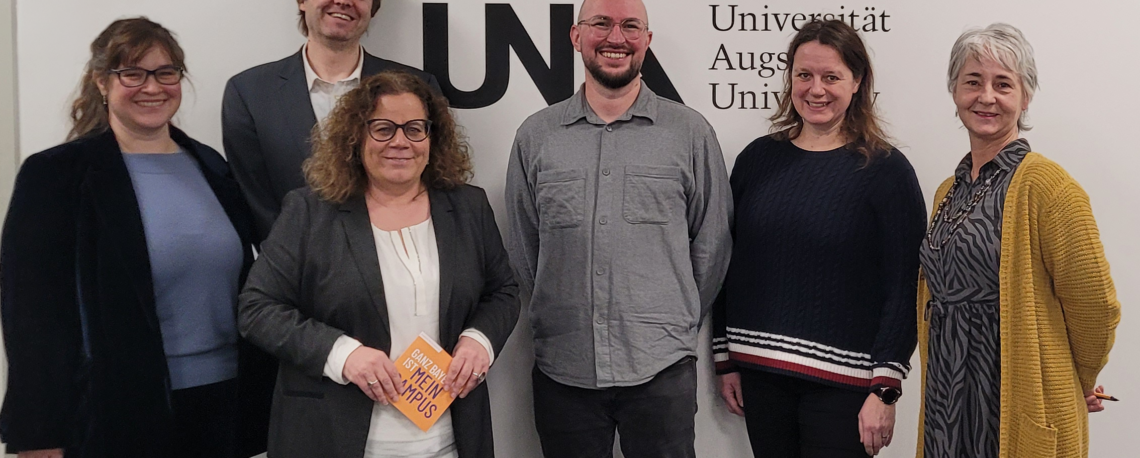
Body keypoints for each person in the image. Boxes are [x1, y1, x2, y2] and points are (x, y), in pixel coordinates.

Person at [0, 17, 273, 458]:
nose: (153, 87)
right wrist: (39, 435)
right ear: (102, 82)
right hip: (116, 413)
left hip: (226, 404)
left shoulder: (212, 166)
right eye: (132, 73)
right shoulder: (56, 175)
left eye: (166, 73)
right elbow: (31, 316)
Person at [238, 70, 518, 458]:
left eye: (415, 129)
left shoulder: (468, 207)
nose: (400, 142)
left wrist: (479, 341)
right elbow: (257, 309)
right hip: (338, 440)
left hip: (450, 441)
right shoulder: (309, 211)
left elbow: (503, 291)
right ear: (356, 137)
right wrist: (343, 354)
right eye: (383, 129)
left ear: (432, 137)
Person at [504, 0, 732, 456]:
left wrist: (674, 319)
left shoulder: (689, 133)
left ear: (646, 40)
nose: (616, 37)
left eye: (631, 26)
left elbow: (712, 245)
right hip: (563, 368)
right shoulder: (537, 136)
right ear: (575, 36)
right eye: (601, 24)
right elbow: (524, 246)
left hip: (660, 368)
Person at [711, 19, 926, 458]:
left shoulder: (887, 172)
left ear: (857, 81)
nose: (816, 89)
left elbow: (905, 286)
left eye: (831, 77)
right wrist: (725, 358)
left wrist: (886, 388)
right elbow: (729, 264)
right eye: (804, 75)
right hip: (761, 375)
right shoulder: (757, 160)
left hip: (845, 388)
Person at [915, 23, 1120, 458]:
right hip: (947, 398)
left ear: (1025, 97)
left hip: (1015, 398)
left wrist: (1075, 380)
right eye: (973, 81)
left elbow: (1095, 304)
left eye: (1003, 84)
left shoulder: (1048, 186)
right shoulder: (948, 191)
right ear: (955, 91)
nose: (986, 96)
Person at [223, 0, 441, 244]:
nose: (343, 1)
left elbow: (433, 185)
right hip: (297, 271)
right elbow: (256, 204)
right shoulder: (249, 93)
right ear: (302, 2)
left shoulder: (419, 88)